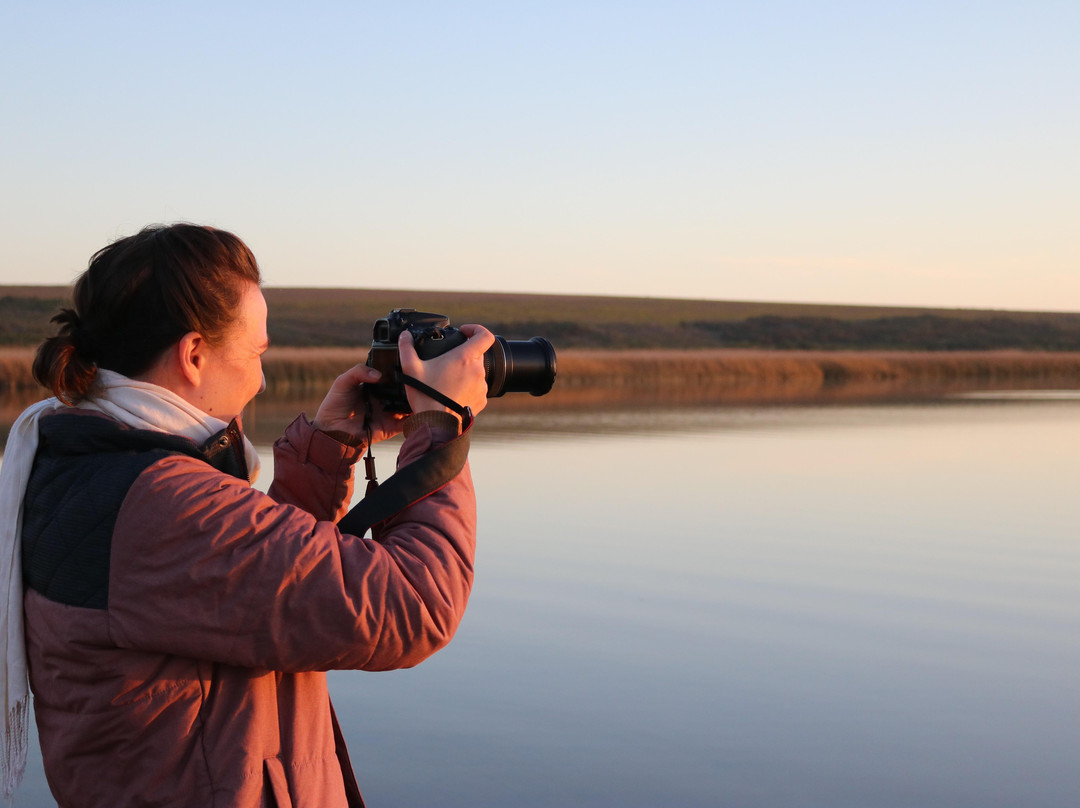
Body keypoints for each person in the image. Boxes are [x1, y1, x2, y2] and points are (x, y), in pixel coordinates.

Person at [0, 223, 494, 806]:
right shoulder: (158, 503)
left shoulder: (87, 460)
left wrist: (328, 446)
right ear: (193, 354)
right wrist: (439, 428)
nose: (261, 377)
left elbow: (241, 588)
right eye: (256, 352)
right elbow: (413, 604)